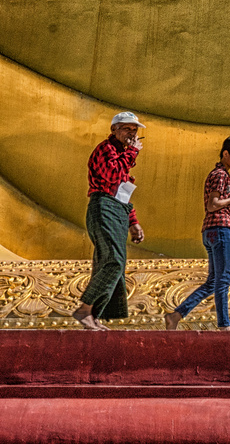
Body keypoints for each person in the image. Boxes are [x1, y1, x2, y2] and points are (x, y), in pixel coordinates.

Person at [165, 135, 230, 332]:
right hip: (219, 229)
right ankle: (224, 325)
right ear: (225, 153)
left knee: (213, 281)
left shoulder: (218, 174)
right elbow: (213, 205)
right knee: (222, 280)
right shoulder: (221, 175)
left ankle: (175, 316)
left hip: (210, 231)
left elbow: (216, 199)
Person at [73, 112, 146, 331]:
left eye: (134, 130)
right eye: (126, 129)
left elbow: (122, 192)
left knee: (111, 263)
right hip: (103, 208)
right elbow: (112, 176)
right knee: (113, 259)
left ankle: (93, 315)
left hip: (118, 211)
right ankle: (84, 309)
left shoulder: (123, 156)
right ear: (114, 129)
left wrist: (133, 221)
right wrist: (132, 152)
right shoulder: (105, 149)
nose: (131, 134)